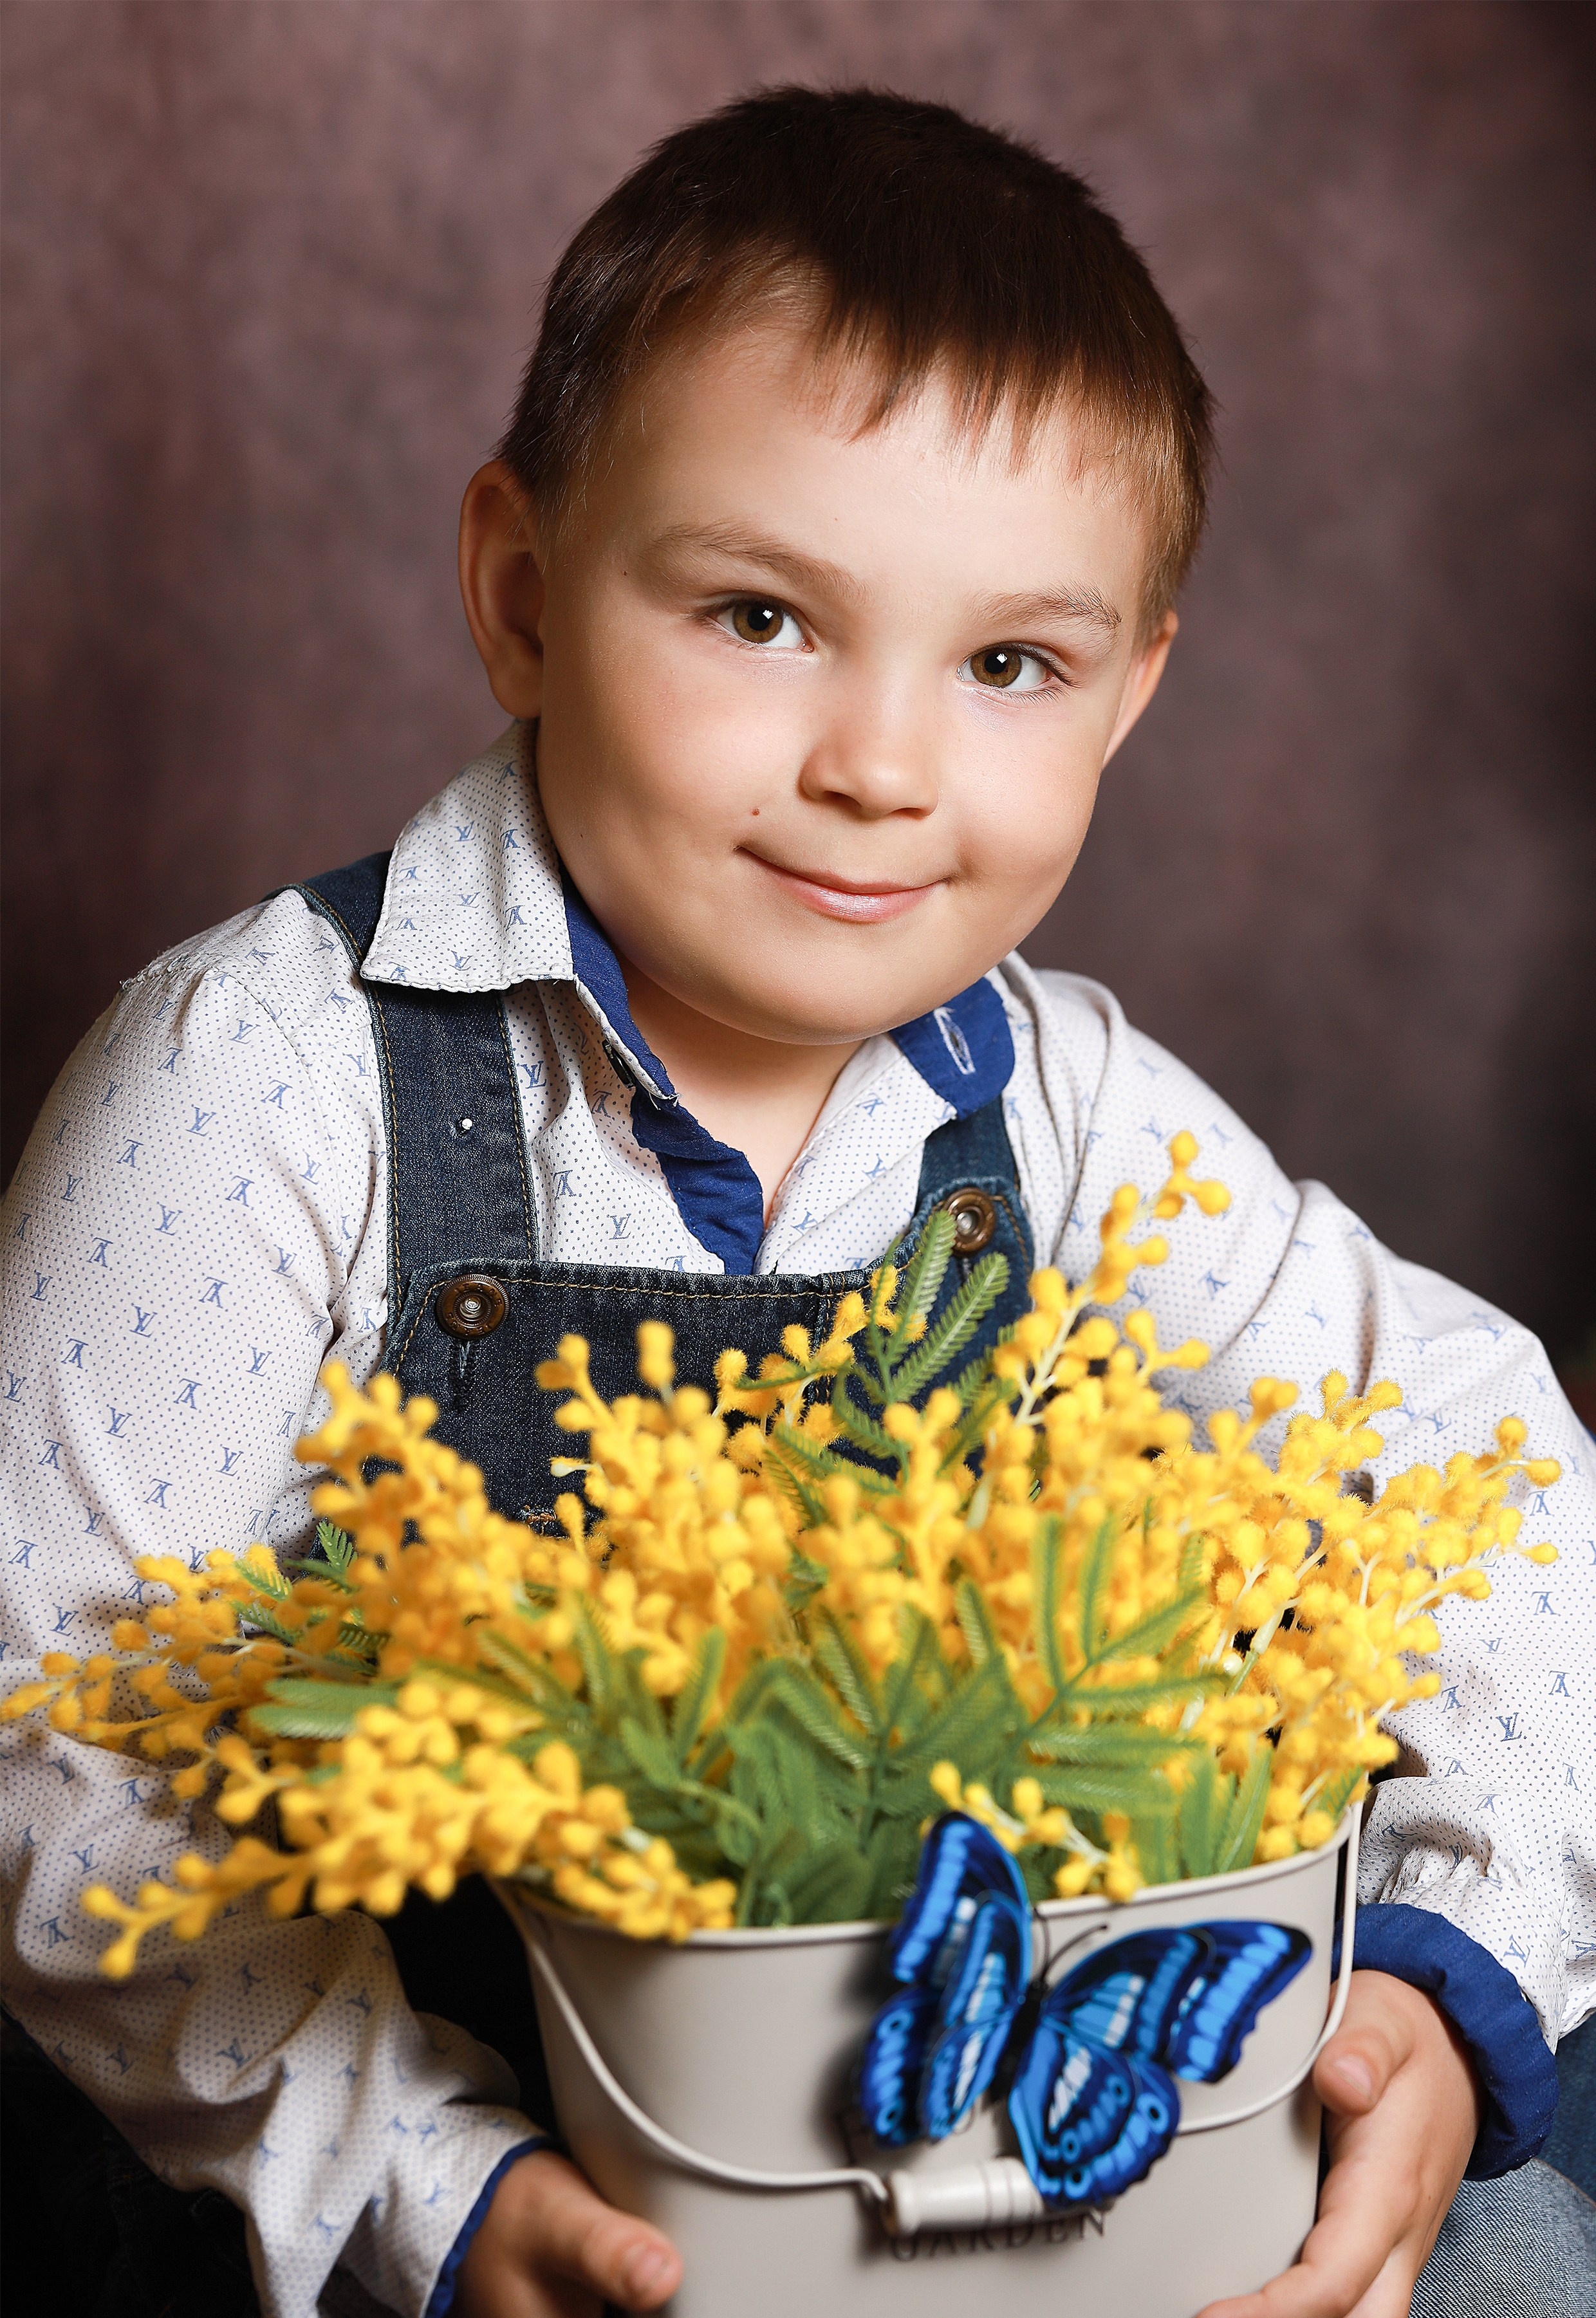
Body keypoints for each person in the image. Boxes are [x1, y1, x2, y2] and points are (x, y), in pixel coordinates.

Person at [1, 86, 1591, 2318]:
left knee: (1513, 2259)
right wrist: (421, 2187)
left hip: (976, 2132)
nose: (882, 764)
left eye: (1010, 664)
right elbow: (55, 1751)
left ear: (1131, 693)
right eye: (761, 615)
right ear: (524, 595)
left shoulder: (1060, 1102)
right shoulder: (262, 1080)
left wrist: (1431, 1970)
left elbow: (1497, 1461)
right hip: (438, 2147)